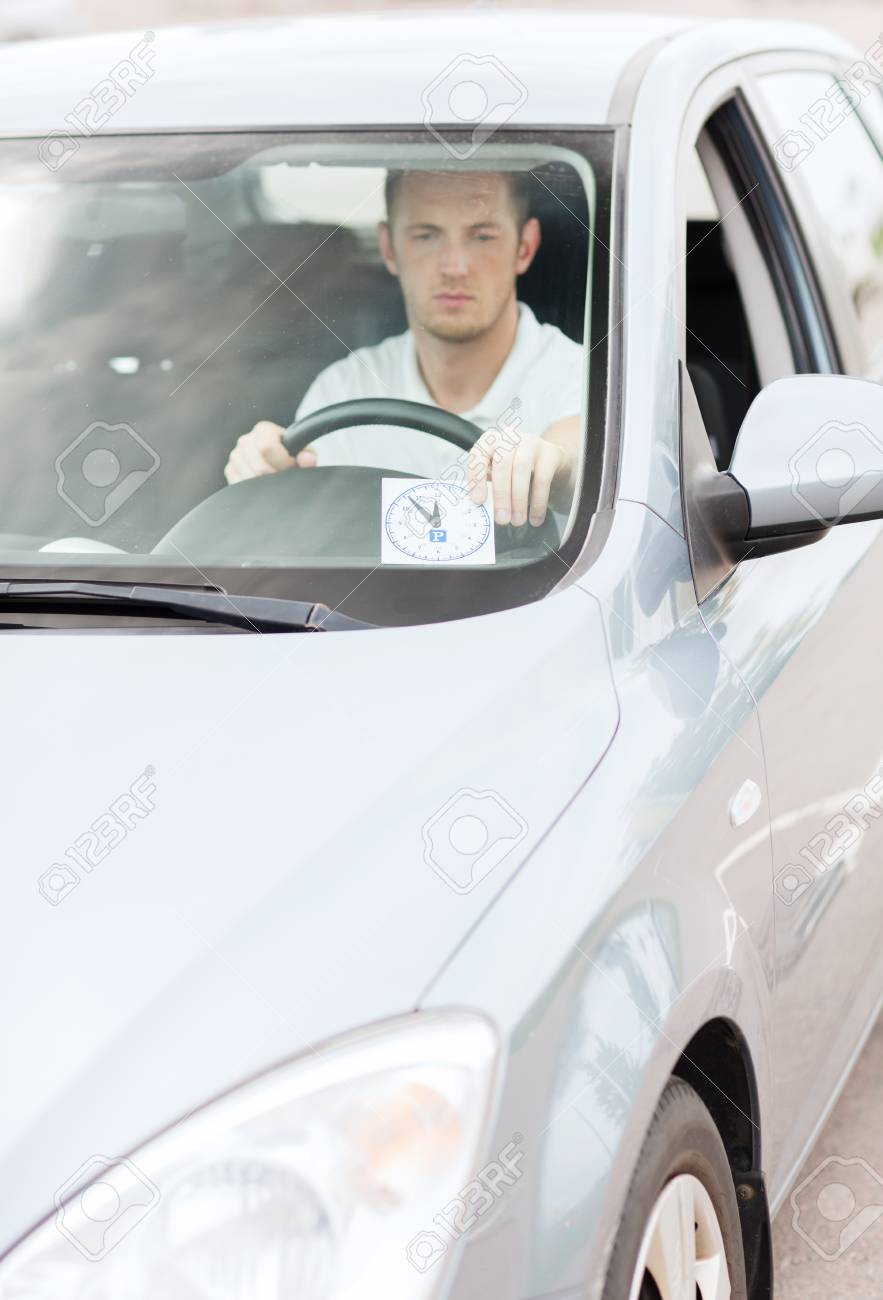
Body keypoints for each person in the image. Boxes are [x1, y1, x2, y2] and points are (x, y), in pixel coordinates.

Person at [224, 167, 584, 528]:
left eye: (482, 237)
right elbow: (304, 538)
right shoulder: (345, 390)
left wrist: (557, 465)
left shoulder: (584, 379)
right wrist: (267, 471)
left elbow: (575, 444)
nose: (454, 267)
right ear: (388, 249)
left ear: (525, 247)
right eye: (426, 236)